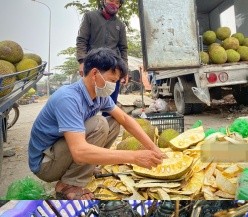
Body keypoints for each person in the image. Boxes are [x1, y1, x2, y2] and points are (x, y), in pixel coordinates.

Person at [28, 48, 165, 200]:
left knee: (114, 122)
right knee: (99, 123)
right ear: (94, 74)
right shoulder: (68, 98)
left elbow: (126, 120)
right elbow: (79, 151)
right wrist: (134, 157)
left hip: (60, 152)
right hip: (45, 164)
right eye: (112, 81)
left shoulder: (100, 95)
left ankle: (85, 169)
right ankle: (68, 184)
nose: (114, 86)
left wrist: (153, 148)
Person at [76, 0, 128, 107]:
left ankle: (107, 121)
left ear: (120, 6)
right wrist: (82, 61)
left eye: (117, 2)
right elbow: (82, 40)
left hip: (113, 68)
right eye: (111, 0)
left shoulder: (120, 25)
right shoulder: (90, 17)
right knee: (87, 102)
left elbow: (123, 49)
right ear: (103, 1)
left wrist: (125, 71)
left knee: (110, 104)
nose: (113, 4)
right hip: (93, 66)